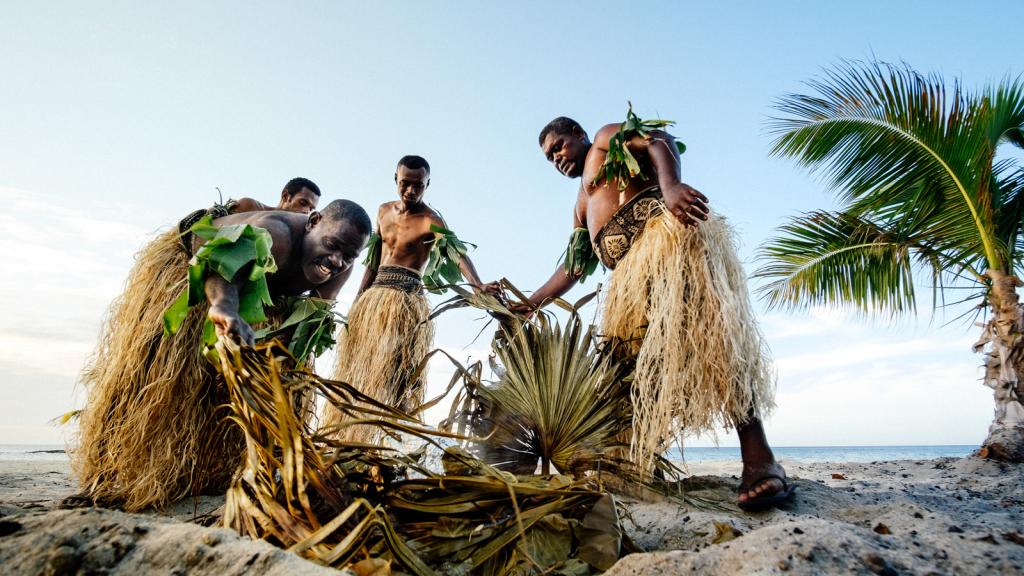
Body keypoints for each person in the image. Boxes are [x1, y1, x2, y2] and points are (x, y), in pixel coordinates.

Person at [523, 115, 793, 510]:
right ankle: (636, 463)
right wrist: (529, 303)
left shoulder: (603, 141)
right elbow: (574, 267)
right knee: (628, 371)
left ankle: (760, 461)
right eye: (549, 158)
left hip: (668, 248)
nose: (556, 159)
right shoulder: (581, 205)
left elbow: (656, 139)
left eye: (559, 146)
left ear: (578, 135)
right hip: (631, 283)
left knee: (718, 346)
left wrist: (670, 187)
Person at [72, 200, 371, 511]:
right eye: (332, 246)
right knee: (157, 380)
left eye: (349, 256)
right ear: (313, 222)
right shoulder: (275, 234)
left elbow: (311, 317)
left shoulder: (340, 268)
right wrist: (223, 307)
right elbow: (221, 268)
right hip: (196, 269)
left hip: (256, 294)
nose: (337, 260)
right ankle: (106, 473)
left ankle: (213, 473)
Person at [321, 155, 496, 441]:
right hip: (374, 298)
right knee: (358, 368)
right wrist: (357, 301)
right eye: (405, 184)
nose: (411, 191)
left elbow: (456, 252)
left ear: (427, 184)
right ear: (396, 180)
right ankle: (347, 434)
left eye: (418, 185)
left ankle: (392, 437)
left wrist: (477, 285)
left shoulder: (431, 219)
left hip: (406, 302)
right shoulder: (382, 211)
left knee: (397, 373)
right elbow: (373, 260)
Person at [233, 176, 322, 214]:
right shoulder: (250, 206)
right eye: (303, 203)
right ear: (286, 196)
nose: (306, 211)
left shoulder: (299, 236)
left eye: (311, 209)